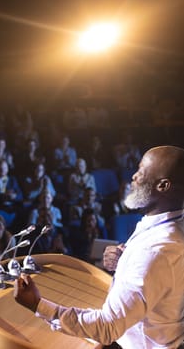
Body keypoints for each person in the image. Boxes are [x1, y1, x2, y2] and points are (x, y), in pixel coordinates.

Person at [13, 145, 184, 349]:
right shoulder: (168, 228)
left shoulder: (155, 251)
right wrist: (126, 261)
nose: (134, 177)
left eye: (141, 171)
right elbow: (163, 279)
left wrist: (37, 304)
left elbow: (107, 327)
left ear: (163, 186)